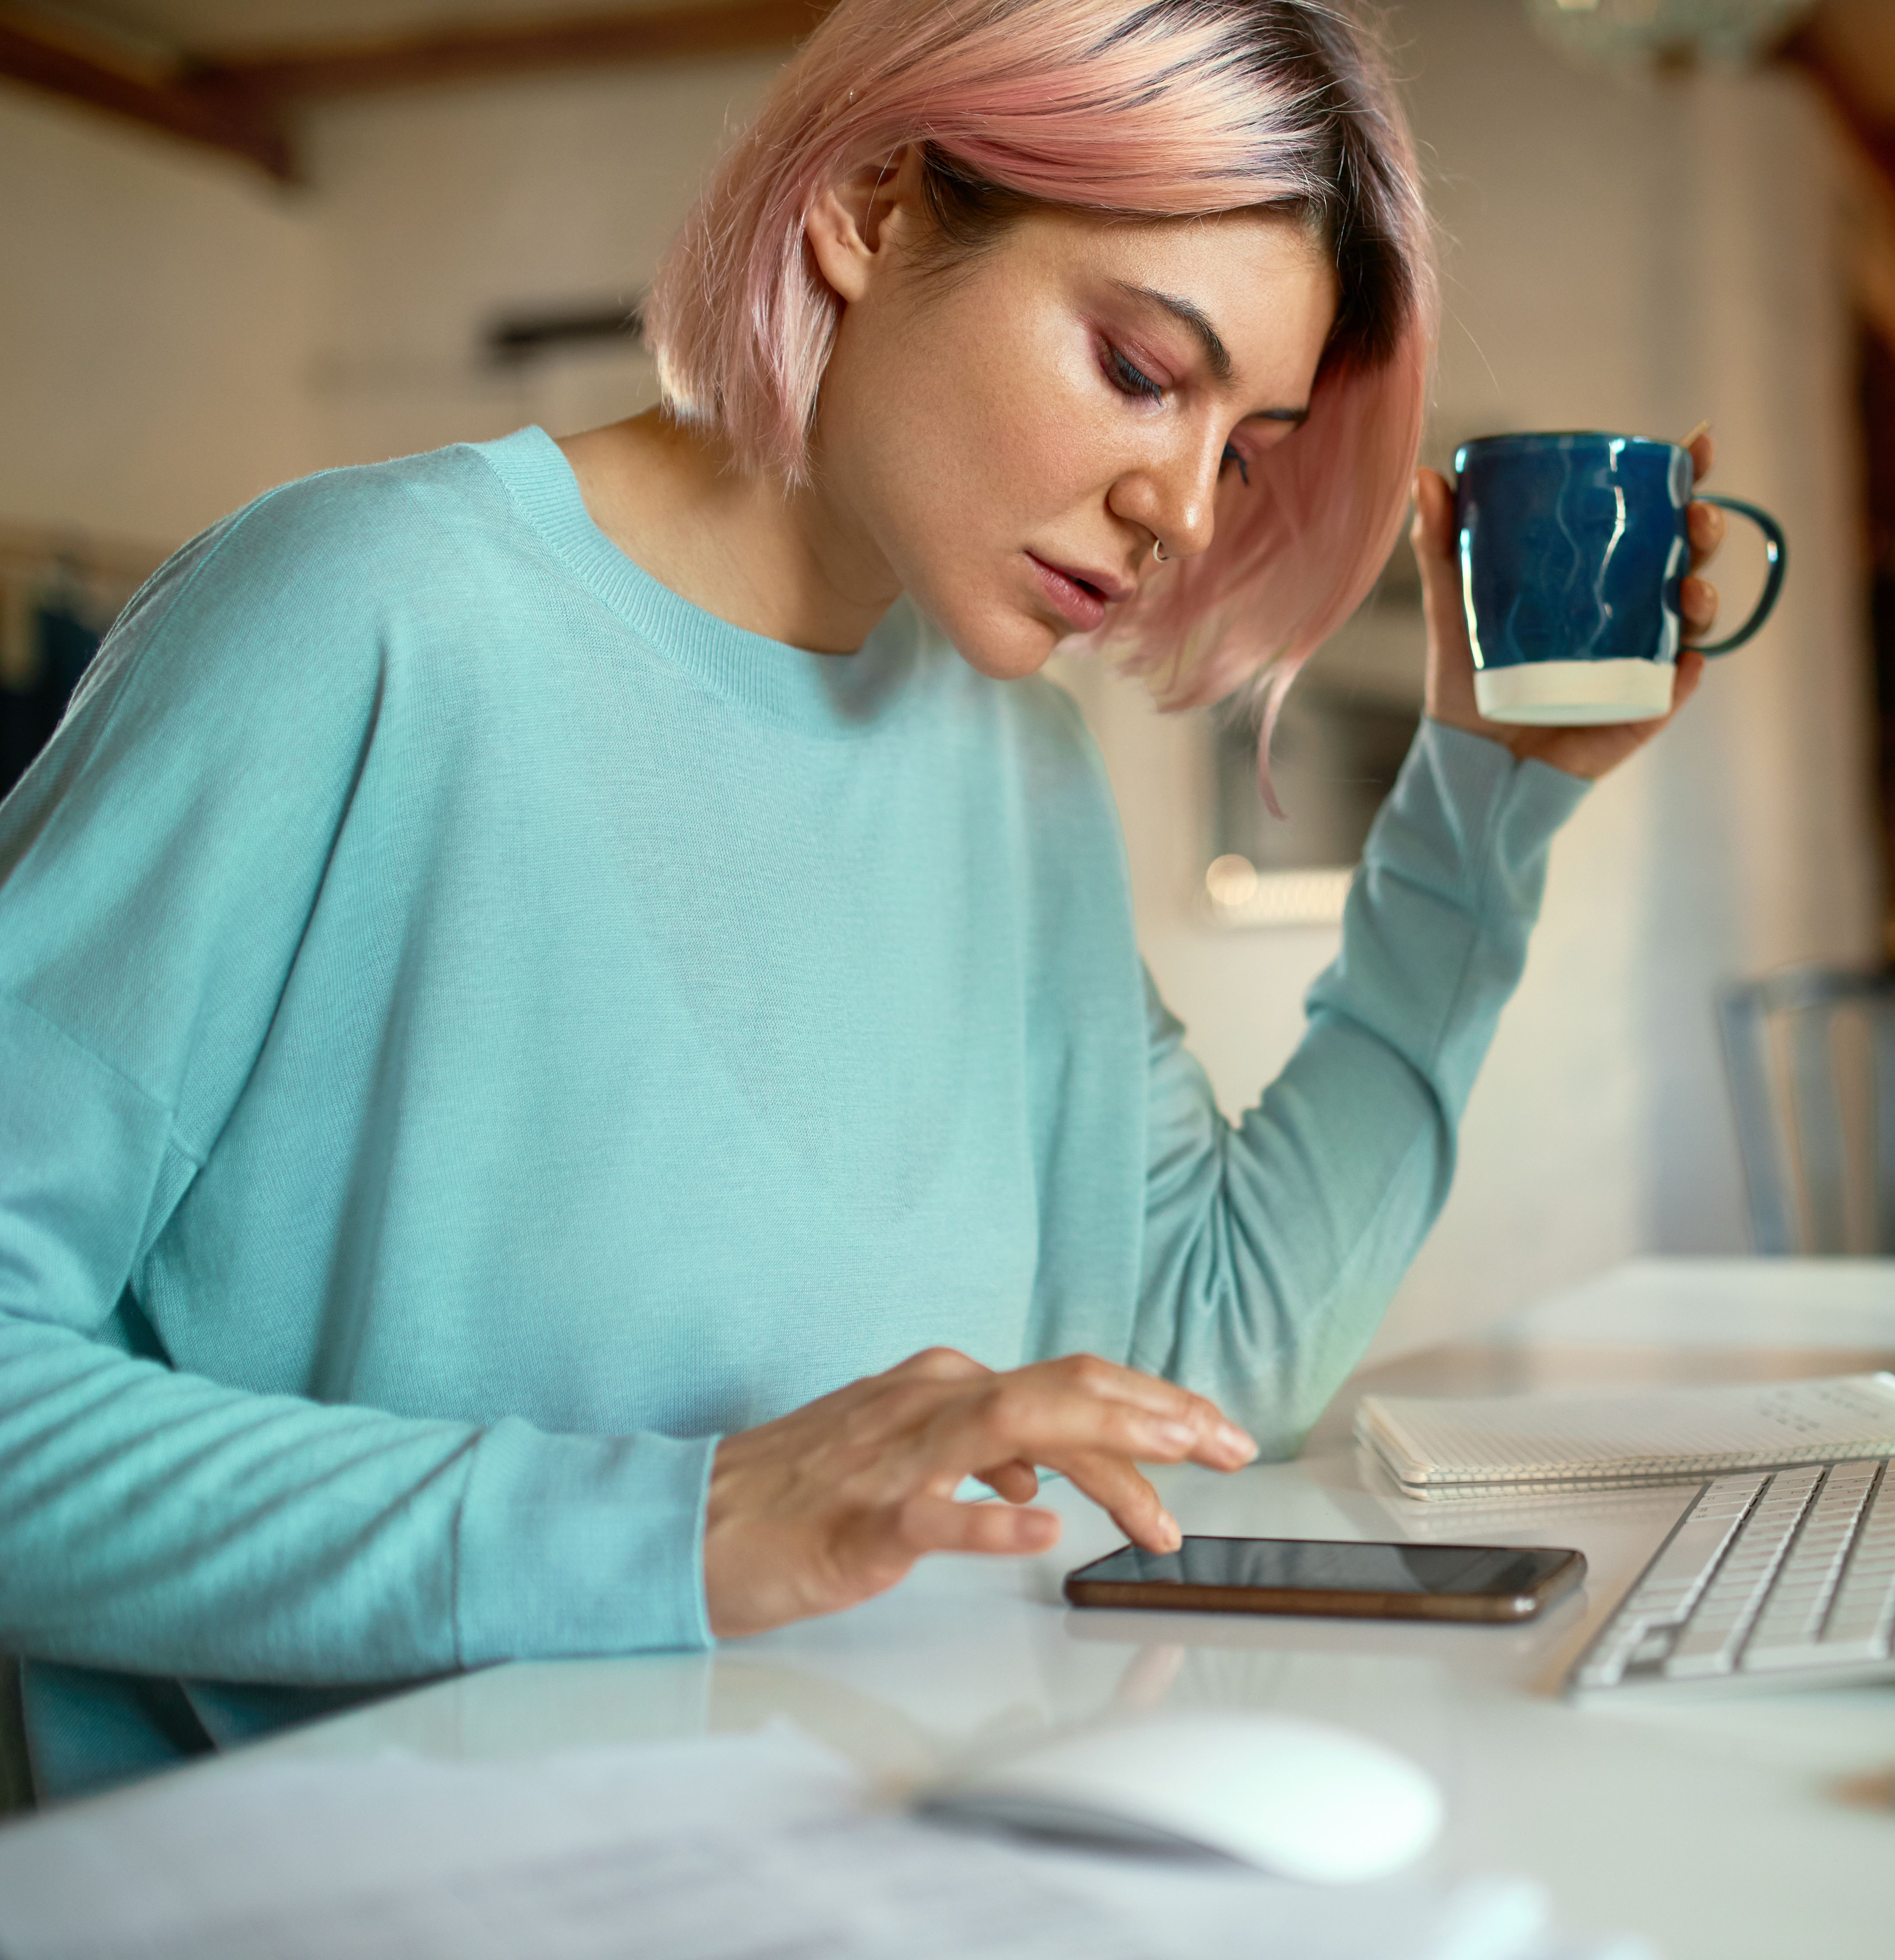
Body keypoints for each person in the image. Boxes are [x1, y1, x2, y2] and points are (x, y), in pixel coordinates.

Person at [0, 0, 1739, 1799]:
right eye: (1144, 370)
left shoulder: (1022, 771)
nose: (1183, 509)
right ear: (869, 205)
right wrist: (668, 1527)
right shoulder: (363, 620)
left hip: (873, 1852)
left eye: (1245, 444)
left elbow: (1206, 1362)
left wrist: (1495, 797)